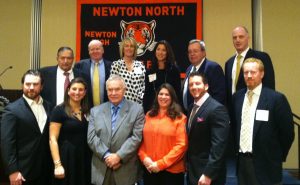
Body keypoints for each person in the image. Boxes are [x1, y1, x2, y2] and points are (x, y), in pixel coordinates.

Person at [232, 58, 294, 185]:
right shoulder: (237, 97)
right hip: (242, 163)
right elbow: (234, 127)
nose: (249, 76)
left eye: (253, 72)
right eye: (245, 72)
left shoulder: (276, 99)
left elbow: (287, 134)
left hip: (267, 165)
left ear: (262, 74)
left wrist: (276, 156)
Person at [87, 74, 145, 185]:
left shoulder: (137, 110)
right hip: (101, 168)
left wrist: (119, 156)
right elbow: (91, 138)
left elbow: (136, 137)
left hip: (124, 168)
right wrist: (107, 156)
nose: (113, 93)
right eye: (110, 90)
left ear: (124, 90)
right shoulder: (96, 111)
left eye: (117, 89)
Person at [1, 70, 53, 185]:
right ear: (22, 85)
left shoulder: (49, 107)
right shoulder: (12, 110)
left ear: (42, 86)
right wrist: (12, 171)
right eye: (27, 84)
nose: (31, 87)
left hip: (46, 171)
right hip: (23, 172)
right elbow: (6, 143)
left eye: (35, 84)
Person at [139, 83, 187, 185]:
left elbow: (181, 145)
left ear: (172, 98)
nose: (163, 97)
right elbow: (141, 140)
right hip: (150, 168)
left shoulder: (180, 118)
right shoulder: (149, 115)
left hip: (171, 173)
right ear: (157, 96)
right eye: (161, 94)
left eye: (167, 94)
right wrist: (144, 158)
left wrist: (160, 164)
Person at [186, 72, 230, 185]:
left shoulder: (217, 109)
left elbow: (219, 146)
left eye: (197, 83)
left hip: (208, 176)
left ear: (206, 86)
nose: (194, 87)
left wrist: (208, 174)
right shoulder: (191, 107)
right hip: (193, 171)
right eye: (191, 85)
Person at [49, 77, 91, 185]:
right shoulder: (59, 110)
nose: (77, 92)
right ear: (68, 91)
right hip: (67, 157)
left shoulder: (88, 110)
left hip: (84, 156)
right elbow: (52, 139)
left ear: (85, 92)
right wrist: (57, 164)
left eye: (81, 90)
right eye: (74, 89)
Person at [225, 26, 275, 108]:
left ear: (248, 38)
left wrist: (266, 106)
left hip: (256, 105)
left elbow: (269, 84)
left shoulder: (261, 57)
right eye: (234, 38)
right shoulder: (229, 63)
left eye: (241, 37)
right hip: (234, 109)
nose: (237, 40)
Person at [182, 39, 225, 112]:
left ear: (203, 53)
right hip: (189, 114)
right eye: (190, 52)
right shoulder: (189, 69)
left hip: (207, 115)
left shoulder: (213, 68)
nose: (192, 54)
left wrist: (207, 113)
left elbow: (219, 96)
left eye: (195, 51)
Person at [143, 40, 182, 113]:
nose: (160, 52)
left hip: (171, 110)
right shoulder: (150, 71)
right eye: (158, 49)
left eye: (164, 50)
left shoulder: (174, 70)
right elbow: (147, 93)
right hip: (153, 110)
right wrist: (146, 112)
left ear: (167, 53)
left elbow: (178, 93)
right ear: (155, 51)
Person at [75, 39, 112, 107]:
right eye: (92, 49)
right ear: (89, 51)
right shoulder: (80, 65)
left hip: (107, 106)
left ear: (102, 50)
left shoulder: (111, 66)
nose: (95, 51)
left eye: (97, 49)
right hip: (86, 107)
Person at [110, 37, 146, 104]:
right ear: (123, 49)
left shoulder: (140, 65)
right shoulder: (116, 65)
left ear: (135, 49)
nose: (129, 48)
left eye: (131, 46)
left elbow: (143, 86)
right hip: (120, 105)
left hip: (137, 105)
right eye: (126, 46)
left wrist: (140, 98)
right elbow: (113, 86)